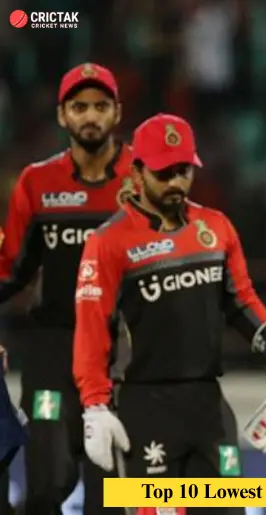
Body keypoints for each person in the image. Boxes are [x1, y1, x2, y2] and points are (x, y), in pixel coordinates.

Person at [72, 113, 266, 514]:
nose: (176, 182)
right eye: (164, 173)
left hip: (208, 404)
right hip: (145, 407)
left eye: (184, 171)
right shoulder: (108, 243)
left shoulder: (216, 227)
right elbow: (92, 331)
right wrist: (95, 405)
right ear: (137, 171)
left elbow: (240, 300)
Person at [0, 62, 134, 514]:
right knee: (45, 485)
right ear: (62, 115)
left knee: (110, 500)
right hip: (52, 352)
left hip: (120, 355)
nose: (90, 116)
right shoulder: (37, 183)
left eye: (100, 106)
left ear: (117, 112)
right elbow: (10, 270)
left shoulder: (142, 179)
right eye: (79, 107)